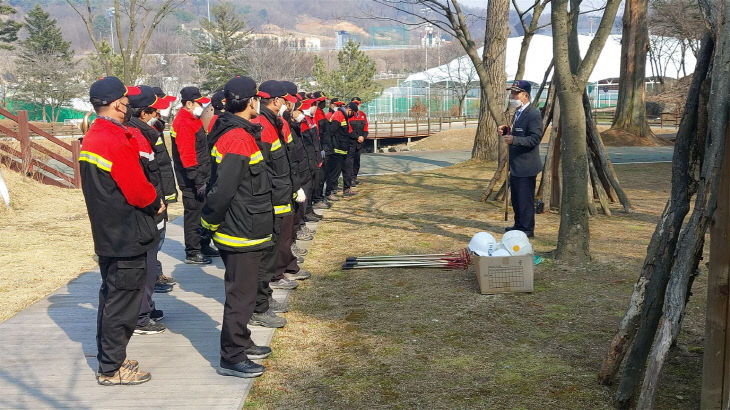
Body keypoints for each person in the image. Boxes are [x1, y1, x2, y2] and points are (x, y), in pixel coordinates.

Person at [80, 76, 165, 385]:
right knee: (123, 302)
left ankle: (110, 359)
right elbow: (137, 189)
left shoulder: (94, 135)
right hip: (126, 233)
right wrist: (156, 202)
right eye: (126, 101)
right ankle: (111, 368)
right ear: (117, 104)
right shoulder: (114, 138)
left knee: (112, 297)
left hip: (109, 233)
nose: (129, 106)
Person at [201, 75, 272, 378]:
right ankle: (232, 356)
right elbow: (223, 190)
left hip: (248, 225)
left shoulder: (237, 131)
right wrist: (208, 223)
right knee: (241, 296)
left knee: (244, 292)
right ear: (251, 101)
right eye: (257, 98)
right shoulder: (238, 138)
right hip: (240, 229)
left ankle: (240, 340)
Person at [126, 85, 174, 335]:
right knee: (146, 261)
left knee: (151, 259)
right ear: (143, 113)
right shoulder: (136, 134)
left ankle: (147, 306)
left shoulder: (147, 131)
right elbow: (143, 177)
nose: (159, 113)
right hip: (147, 209)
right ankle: (141, 316)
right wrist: (155, 202)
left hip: (155, 205)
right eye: (154, 109)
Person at [171, 86, 217, 264]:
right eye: (199, 103)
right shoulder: (183, 122)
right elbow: (187, 155)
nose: (203, 107)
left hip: (203, 175)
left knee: (204, 213)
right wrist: (197, 181)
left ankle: (204, 244)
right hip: (192, 180)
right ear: (189, 104)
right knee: (193, 215)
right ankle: (193, 251)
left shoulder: (193, 119)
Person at [498, 80, 542, 238]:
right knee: (516, 199)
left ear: (525, 95)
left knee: (525, 200)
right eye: (512, 92)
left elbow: (535, 139)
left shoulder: (533, 114)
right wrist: (506, 131)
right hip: (516, 164)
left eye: (515, 93)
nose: (512, 95)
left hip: (526, 165)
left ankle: (527, 229)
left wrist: (514, 140)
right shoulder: (518, 112)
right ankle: (519, 225)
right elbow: (519, 133)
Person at [324, 101, 356, 201]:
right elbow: (331, 132)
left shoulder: (343, 116)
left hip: (342, 150)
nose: (353, 116)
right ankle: (328, 193)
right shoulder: (339, 115)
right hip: (336, 150)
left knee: (343, 171)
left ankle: (344, 190)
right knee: (334, 174)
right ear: (349, 110)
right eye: (353, 113)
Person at [348, 97, 368, 186]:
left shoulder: (363, 115)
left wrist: (363, 137)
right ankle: (350, 179)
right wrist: (357, 137)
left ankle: (354, 177)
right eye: (354, 103)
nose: (356, 105)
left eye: (357, 103)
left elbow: (366, 128)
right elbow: (348, 129)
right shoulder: (349, 116)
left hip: (360, 142)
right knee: (350, 161)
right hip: (351, 141)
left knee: (357, 161)